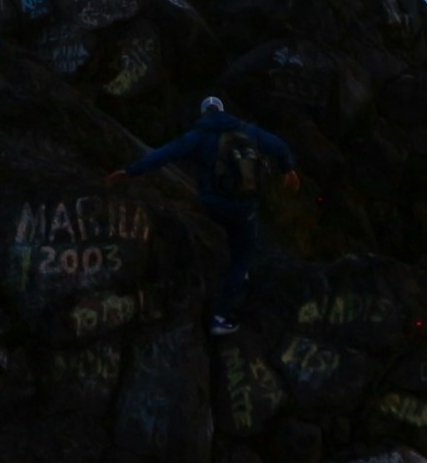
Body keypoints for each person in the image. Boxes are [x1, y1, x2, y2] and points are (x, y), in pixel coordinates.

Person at [112, 95, 301, 333]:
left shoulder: (197, 137)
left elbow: (163, 155)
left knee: (214, 234)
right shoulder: (248, 131)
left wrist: (129, 172)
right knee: (242, 255)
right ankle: (223, 315)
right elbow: (279, 146)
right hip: (245, 206)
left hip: (212, 205)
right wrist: (288, 170)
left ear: (204, 114)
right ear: (223, 110)